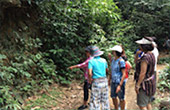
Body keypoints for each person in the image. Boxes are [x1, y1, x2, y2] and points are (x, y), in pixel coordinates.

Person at [134, 37, 156, 110]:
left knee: (142, 105)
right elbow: (137, 62)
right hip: (150, 82)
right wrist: (137, 55)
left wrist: (137, 85)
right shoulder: (151, 55)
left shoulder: (145, 58)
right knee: (148, 102)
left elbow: (142, 73)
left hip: (144, 84)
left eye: (140, 45)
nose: (139, 46)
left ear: (144, 47)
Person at [108, 45, 126, 110]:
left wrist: (119, 85)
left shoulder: (121, 61)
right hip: (113, 81)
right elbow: (112, 70)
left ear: (116, 52)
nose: (112, 52)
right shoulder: (113, 60)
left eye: (113, 51)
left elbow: (124, 74)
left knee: (121, 98)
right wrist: (109, 79)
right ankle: (116, 108)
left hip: (119, 82)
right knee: (113, 96)